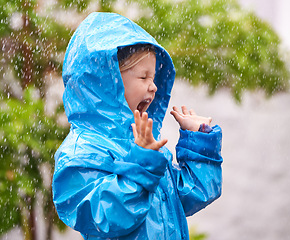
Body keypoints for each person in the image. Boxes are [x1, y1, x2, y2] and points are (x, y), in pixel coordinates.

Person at [52, 12, 223, 240]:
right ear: (107, 82)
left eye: (154, 79)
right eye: (143, 78)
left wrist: (199, 143)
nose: (153, 87)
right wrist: (142, 162)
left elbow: (190, 196)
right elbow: (107, 217)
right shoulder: (81, 151)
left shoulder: (146, 145)